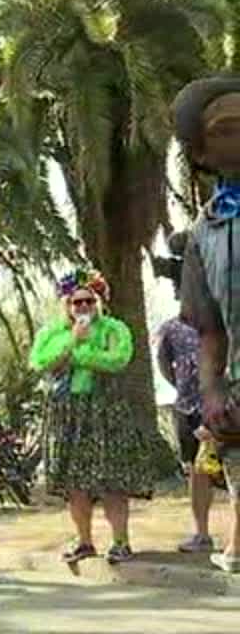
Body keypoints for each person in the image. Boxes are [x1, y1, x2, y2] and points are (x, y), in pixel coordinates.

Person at [30, 269, 156, 564]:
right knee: (76, 483)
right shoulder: (52, 332)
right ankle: (84, 542)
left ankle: (121, 542)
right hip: (67, 414)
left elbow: (117, 360)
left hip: (106, 411)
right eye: (77, 302)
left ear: (98, 301)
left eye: (89, 301)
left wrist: (77, 354)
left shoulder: (114, 328)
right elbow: (39, 362)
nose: (83, 307)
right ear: (67, 305)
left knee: (113, 480)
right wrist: (72, 341)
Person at [174, 75, 240, 574]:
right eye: (226, 128)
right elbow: (209, 326)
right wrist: (213, 389)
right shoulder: (203, 231)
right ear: (200, 149)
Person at [152, 231, 216, 553]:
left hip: (222, 405)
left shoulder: (223, 321)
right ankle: (202, 533)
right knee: (196, 470)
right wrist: (185, 390)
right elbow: (164, 364)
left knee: (231, 468)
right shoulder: (172, 328)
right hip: (187, 407)